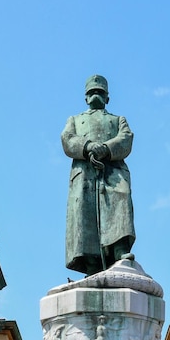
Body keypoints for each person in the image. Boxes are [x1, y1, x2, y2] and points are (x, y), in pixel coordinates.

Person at [61, 75, 135, 275]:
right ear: (85, 97)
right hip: (84, 173)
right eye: (91, 92)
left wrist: (105, 148)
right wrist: (87, 146)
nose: (95, 95)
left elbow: (126, 139)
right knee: (85, 213)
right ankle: (91, 262)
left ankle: (120, 249)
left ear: (107, 98)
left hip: (113, 171)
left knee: (119, 201)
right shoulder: (75, 120)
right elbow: (67, 139)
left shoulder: (118, 120)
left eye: (100, 92)